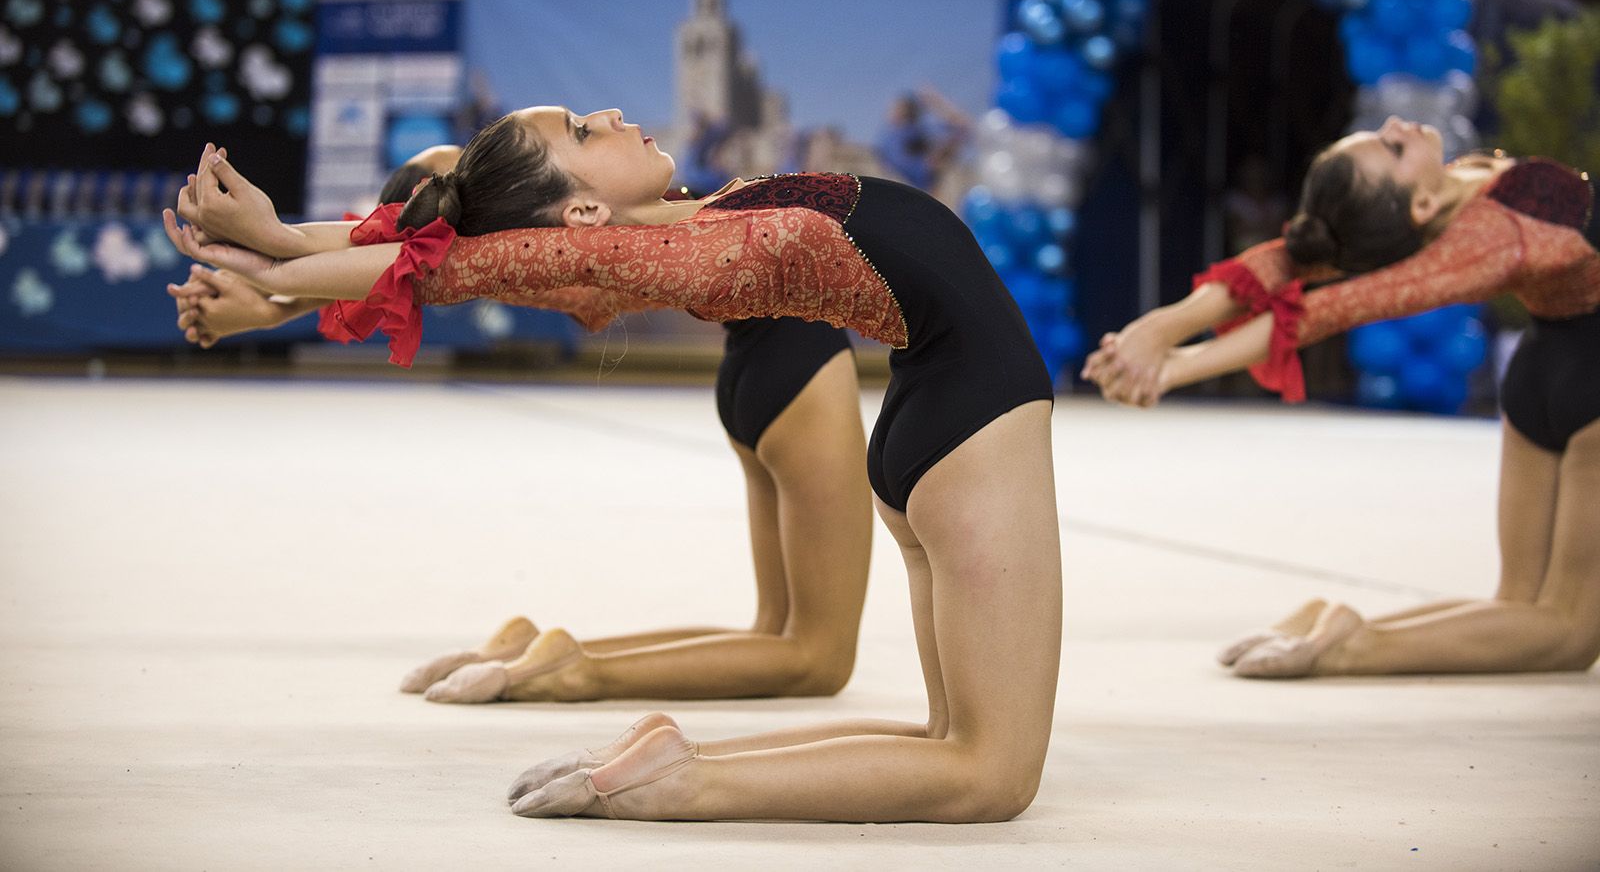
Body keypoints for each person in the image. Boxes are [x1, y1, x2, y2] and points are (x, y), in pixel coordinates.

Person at [163, 107, 1062, 823]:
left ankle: (680, 761)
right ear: (586, 210)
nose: (611, 113)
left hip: (932, 421)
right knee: (986, 777)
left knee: (948, 738)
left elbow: (464, 247)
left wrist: (288, 256)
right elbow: (464, 264)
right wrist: (278, 254)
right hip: (968, 421)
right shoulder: (700, 247)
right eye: (585, 133)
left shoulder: (697, 217)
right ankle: (685, 787)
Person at [167, 147, 873, 705]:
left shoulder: (577, 218)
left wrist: (279, 290)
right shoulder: (585, 210)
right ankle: (569, 671)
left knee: (775, 637)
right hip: (799, 364)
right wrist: (276, 278)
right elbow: (436, 256)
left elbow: (433, 256)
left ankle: (537, 651)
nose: (608, 123)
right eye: (583, 127)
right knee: (815, 658)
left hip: (753, 379)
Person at [1083, 117, 1599, 679]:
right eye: (1393, 147)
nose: (1398, 124)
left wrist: (1165, 340)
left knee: (1520, 608)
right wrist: (1166, 357)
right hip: (1584, 370)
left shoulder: (1440, 207)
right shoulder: (1485, 235)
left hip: (1545, 368)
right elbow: (1323, 305)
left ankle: (1331, 624)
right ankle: (1352, 646)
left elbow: (1286, 262)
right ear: (1422, 204)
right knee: (1568, 631)